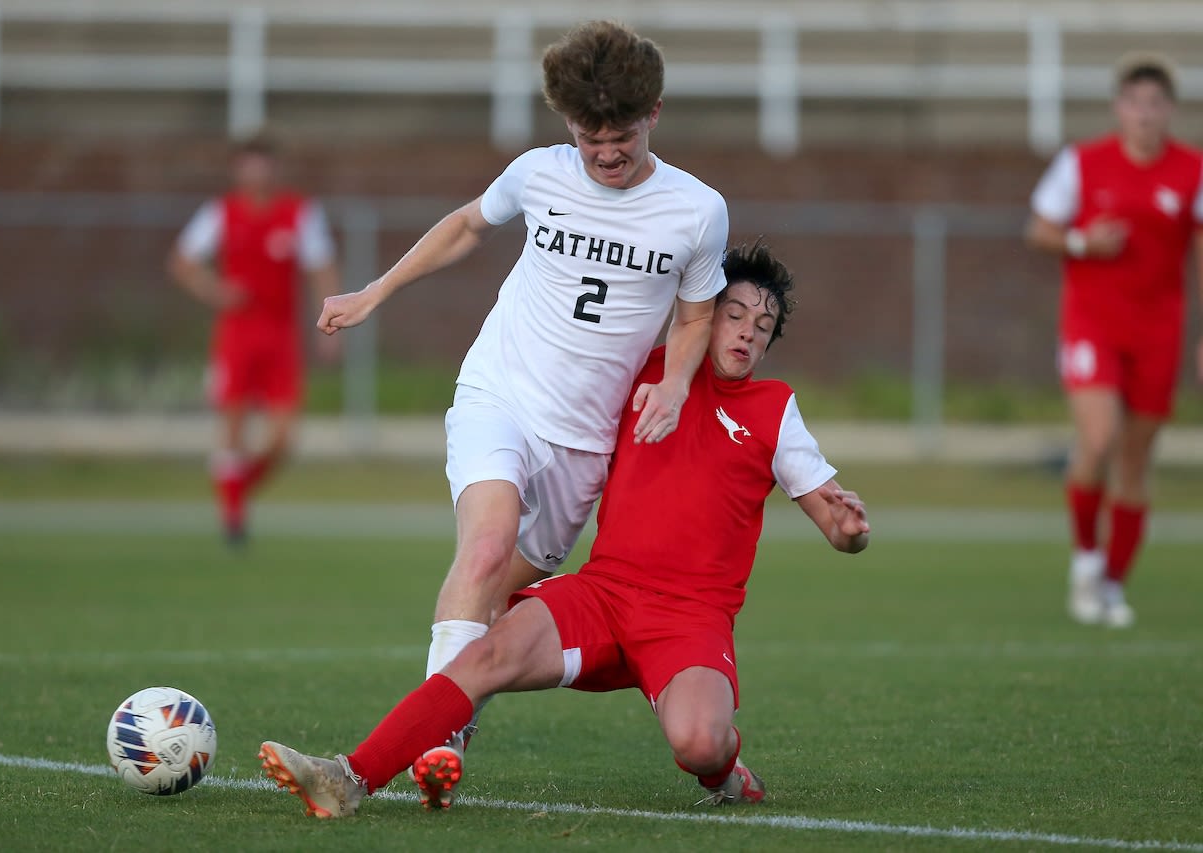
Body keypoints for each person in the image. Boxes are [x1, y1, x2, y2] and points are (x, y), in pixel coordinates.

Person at [257, 243, 872, 817]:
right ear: (703, 315)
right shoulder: (637, 373)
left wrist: (849, 527)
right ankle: (348, 778)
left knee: (700, 743)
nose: (745, 332)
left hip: (690, 618)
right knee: (486, 651)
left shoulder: (773, 407)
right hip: (602, 595)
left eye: (761, 327)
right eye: (733, 314)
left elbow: (836, 525)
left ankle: (726, 775)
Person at [313, 19, 730, 769]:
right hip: (499, 392)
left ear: (655, 114)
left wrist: (672, 382)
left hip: (584, 441)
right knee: (483, 548)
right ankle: (437, 742)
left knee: (495, 594)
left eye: (622, 137)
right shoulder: (538, 172)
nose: (604, 153)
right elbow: (469, 225)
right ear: (567, 122)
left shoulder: (697, 209)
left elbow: (697, 315)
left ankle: (445, 715)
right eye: (587, 136)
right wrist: (378, 290)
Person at [1025, 53, 1203, 628]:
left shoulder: (1192, 170)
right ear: (1119, 107)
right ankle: (1085, 559)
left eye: (1156, 104)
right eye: (1135, 103)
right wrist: (1082, 244)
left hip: (1159, 330)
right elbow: (1040, 229)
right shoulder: (1082, 163)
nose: (1145, 115)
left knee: (1135, 458)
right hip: (1092, 324)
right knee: (1097, 440)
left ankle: (1112, 584)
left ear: (1169, 110)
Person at [168, 134, 340, 545]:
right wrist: (216, 291)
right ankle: (233, 519)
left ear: (274, 168)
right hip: (236, 334)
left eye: (264, 163)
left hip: (281, 336)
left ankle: (234, 491)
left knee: (284, 437)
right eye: (249, 163)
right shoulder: (221, 212)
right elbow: (183, 261)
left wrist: (331, 319)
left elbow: (322, 267)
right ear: (238, 169)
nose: (257, 172)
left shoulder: (298, 212)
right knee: (232, 426)